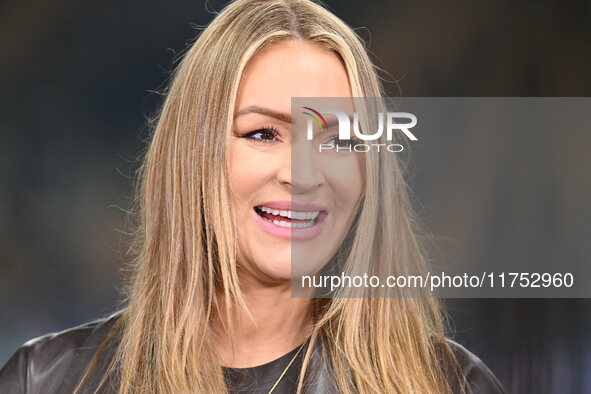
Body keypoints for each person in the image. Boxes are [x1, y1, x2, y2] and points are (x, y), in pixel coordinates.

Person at [0, 0, 507, 393]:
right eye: (264, 133)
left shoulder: (452, 383)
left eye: (338, 141)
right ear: (191, 156)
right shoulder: (44, 380)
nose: (303, 175)